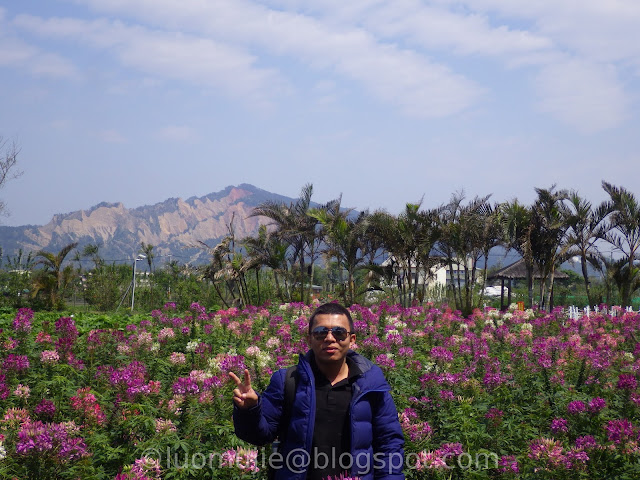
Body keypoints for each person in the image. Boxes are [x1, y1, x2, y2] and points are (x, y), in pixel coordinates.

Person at [229, 302, 405, 480]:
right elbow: (260, 436)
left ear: (352, 339)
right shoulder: (288, 381)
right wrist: (249, 410)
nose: (329, 338)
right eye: (321, 333)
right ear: (309, 339)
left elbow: (389, 445)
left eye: (339, 333)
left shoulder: (371, 385)